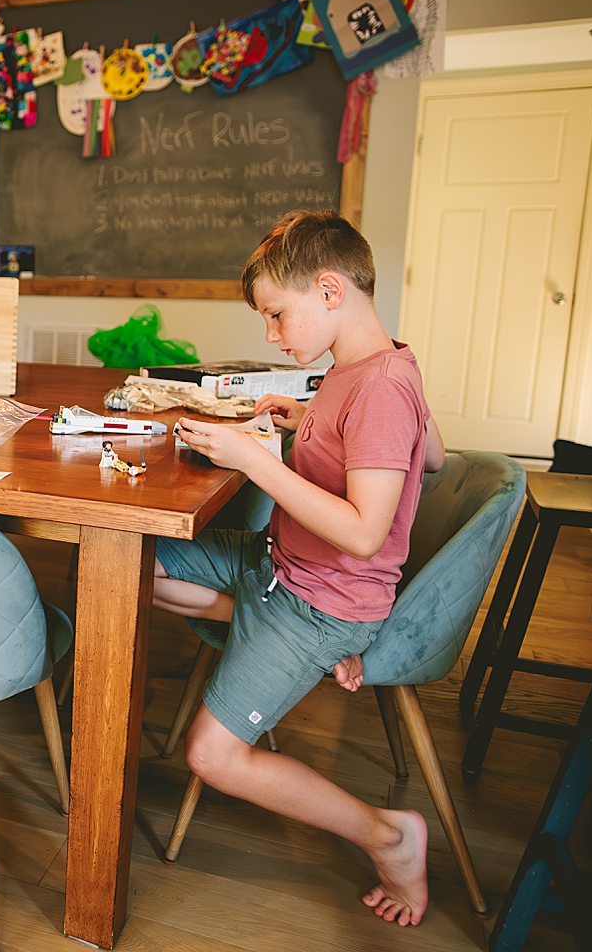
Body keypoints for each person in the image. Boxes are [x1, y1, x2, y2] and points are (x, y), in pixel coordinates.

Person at [154, 210, 446, 928]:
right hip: (284, 572)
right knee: (138, 561)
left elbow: (365, 528)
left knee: (214, 757)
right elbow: (431, 454)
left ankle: (390, 835)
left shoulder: (378, 386)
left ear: (329, 289)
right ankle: (277, 637)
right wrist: (310, 414)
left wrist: (254, 457)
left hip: (322, 600)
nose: (273, 335)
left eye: (278, 316)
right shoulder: (371, 368)